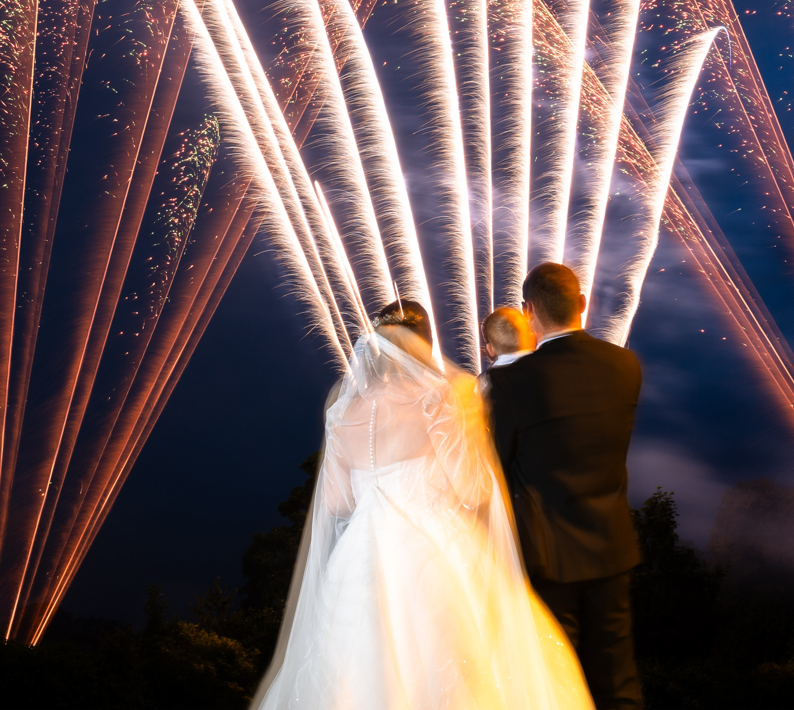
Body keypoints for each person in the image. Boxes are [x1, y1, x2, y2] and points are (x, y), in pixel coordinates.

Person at [252, 299, 589, 710]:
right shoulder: (437, 399)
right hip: (434, 550)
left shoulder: (344, 410)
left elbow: (338, 502)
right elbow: (470, 490)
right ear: (424, 344)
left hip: (359, 559)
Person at [483, 262, 646, 709]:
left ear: (528, 310)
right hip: (611, 547)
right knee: (618, 681)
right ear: (582, 304)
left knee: (554, 686)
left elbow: (497, 464)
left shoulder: (511, 381)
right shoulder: (625, 365)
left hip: (546, 555)